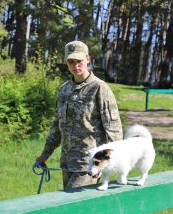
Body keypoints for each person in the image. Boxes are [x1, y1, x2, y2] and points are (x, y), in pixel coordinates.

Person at [35, 40, 123, 190]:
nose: (76, 66)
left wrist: (111, 161)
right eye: (71, 62)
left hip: (89, 164)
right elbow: (57, 127)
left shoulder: (99, 88)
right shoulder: (64, 90)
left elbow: (113, 128)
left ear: (88, 59)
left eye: (79, 61)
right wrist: (45, 155)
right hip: (67, 163)